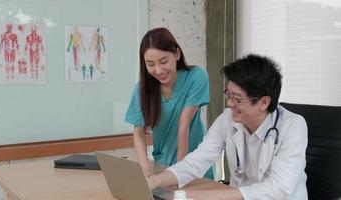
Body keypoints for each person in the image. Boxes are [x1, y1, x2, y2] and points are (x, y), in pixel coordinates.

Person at [147, 54, 308, 200]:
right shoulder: (227, 119)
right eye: (228, 94)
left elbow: (278, 188)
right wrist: (156, 180)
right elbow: (198, 159)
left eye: (237, 99)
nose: (229, 103)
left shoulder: (293, 126)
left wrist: (209, 196)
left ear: (264, 102)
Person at [125, 27, 214, 180]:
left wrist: (180, 171)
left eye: (163, 61)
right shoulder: (142, 90)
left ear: (177, 54)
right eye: (150, 64)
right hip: (162, 166)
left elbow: (184, 123)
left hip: (194, 166)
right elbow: (138, 132)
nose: (158, 70)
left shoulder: (197, 77)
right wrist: (145, 168)